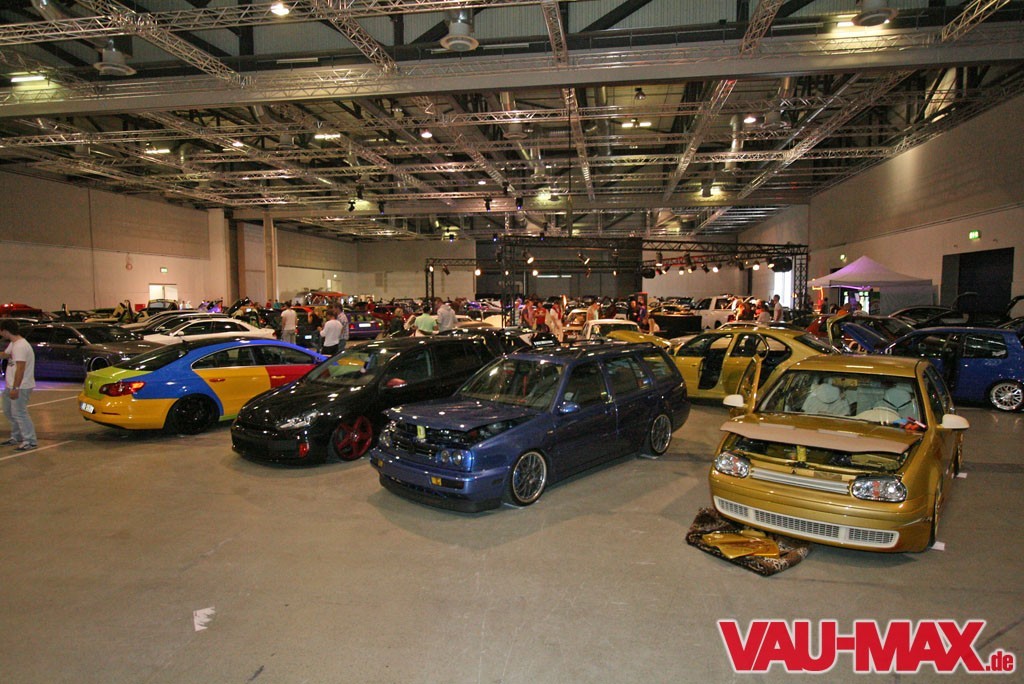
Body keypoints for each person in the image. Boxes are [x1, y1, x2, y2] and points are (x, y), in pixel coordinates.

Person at [0, 320, 37, 451]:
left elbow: (20, 368)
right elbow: (6, 355)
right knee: (9, 411)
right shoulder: (14, 343)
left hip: (21, 386)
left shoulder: (20, 346)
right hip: (11, 385)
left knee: (19, 413)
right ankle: (17, 436)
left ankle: (30, 440)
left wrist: (16, 388)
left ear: (5, 331)